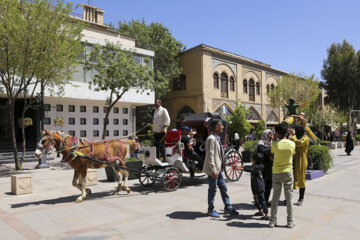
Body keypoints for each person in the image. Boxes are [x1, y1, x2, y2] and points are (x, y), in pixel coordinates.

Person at [203, 119, 239, 217]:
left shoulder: (216, 138)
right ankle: (210, 209)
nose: (223, 127)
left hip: (218, 169)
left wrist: (221, 166)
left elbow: (219, 154)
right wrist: (214, 170)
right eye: (221, 125)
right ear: (216, 127)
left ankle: (227, 207)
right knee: (213, 189)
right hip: (213, 170)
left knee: (223, 188)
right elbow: (210, 156)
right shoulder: (211, 138)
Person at [269, 123, 296, 228]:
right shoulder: (292, 144)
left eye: (276, 132)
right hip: (288, 171)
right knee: (289, 196)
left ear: (279, 133)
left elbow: (272, 158)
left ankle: (272, 221)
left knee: (275, 196)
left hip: (276, 172)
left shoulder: (274, 144)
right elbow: (292, 156)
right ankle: (290, 221)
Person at [237, 153, 269, 220]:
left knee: (261, 200)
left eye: (253, 159)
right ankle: (260, 211)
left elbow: (250, 169)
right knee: (256, 200)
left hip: (259, 187)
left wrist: (240, 168)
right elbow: (250, 167)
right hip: (256, 186)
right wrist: (242, 167)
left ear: (256, 160)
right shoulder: (259, 165)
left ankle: (267, 214)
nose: (252, 160)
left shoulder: (256, 167)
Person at [291, 124, 309, 206]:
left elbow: (298, 143)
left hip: (301, 161)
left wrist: (293, 135)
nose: (296, 133)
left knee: (301, 179)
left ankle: (301, 198)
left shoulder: (305, 138)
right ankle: (289, 197)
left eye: (297, 132)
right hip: (293, 160)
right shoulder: (295, 137)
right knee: (290, 179)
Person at [256, 129, 274, 206]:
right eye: (270, 134)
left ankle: (265, 201)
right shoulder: (261, 142)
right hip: (263, 167)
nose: (271, 135)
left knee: (269, 185)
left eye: (272, 134)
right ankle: (260, 202)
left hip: (271, 167)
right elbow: (261, 150)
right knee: (262, 185)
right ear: (266, 135)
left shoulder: (272, 143)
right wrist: (271, 149)